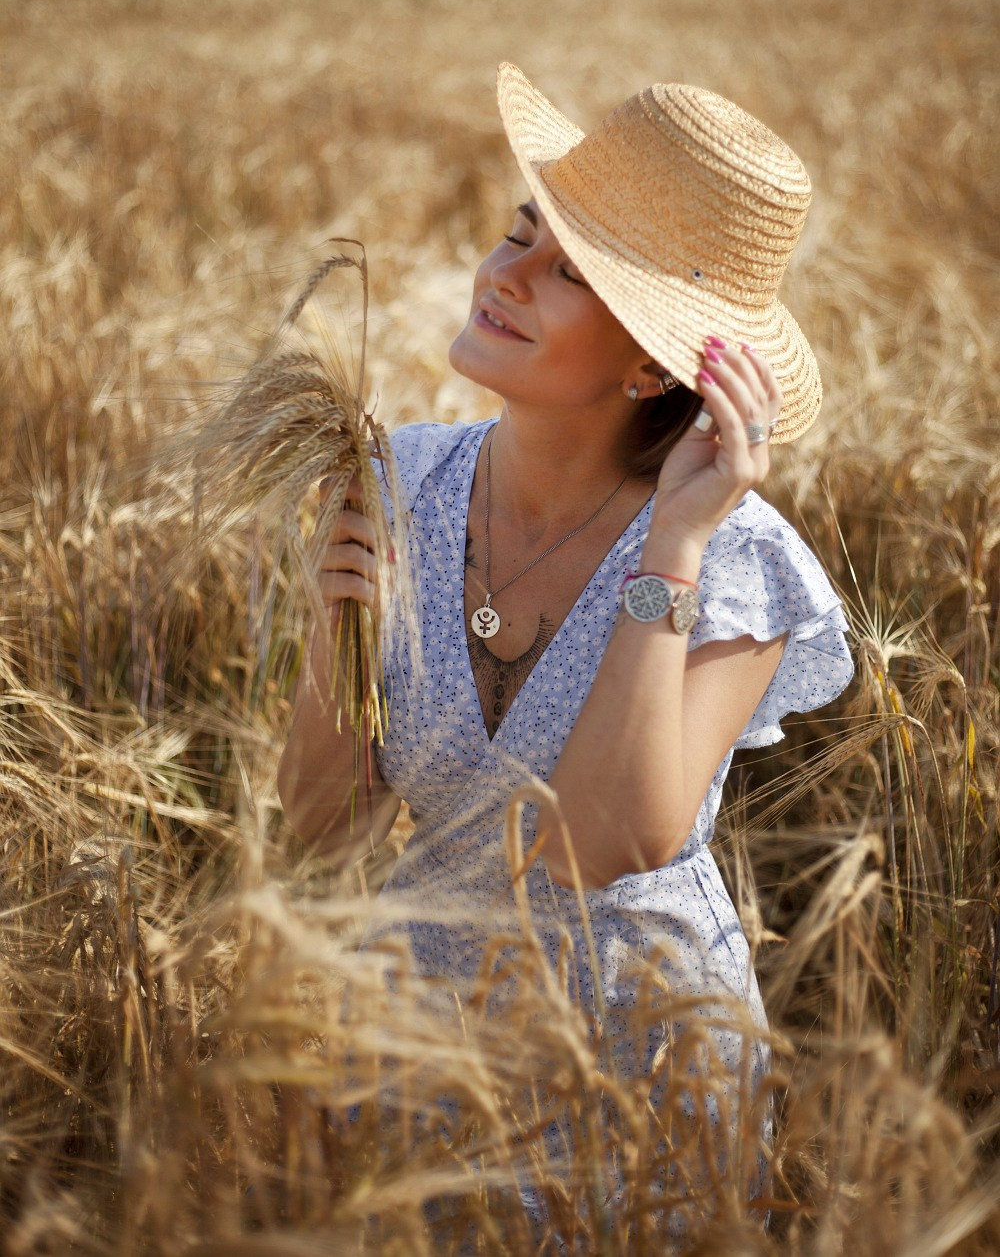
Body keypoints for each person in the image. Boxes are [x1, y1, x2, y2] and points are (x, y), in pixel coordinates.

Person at [276, 63, 854, 1223]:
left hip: (633, 1073)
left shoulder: (734, 557)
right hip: (410, 1054)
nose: (504, 277)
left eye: (567, 274)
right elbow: (319, 829)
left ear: (651, 361)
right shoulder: (394, 485)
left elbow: (597, 842)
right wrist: (332, 630)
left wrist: (671, 551)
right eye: (514, 236)